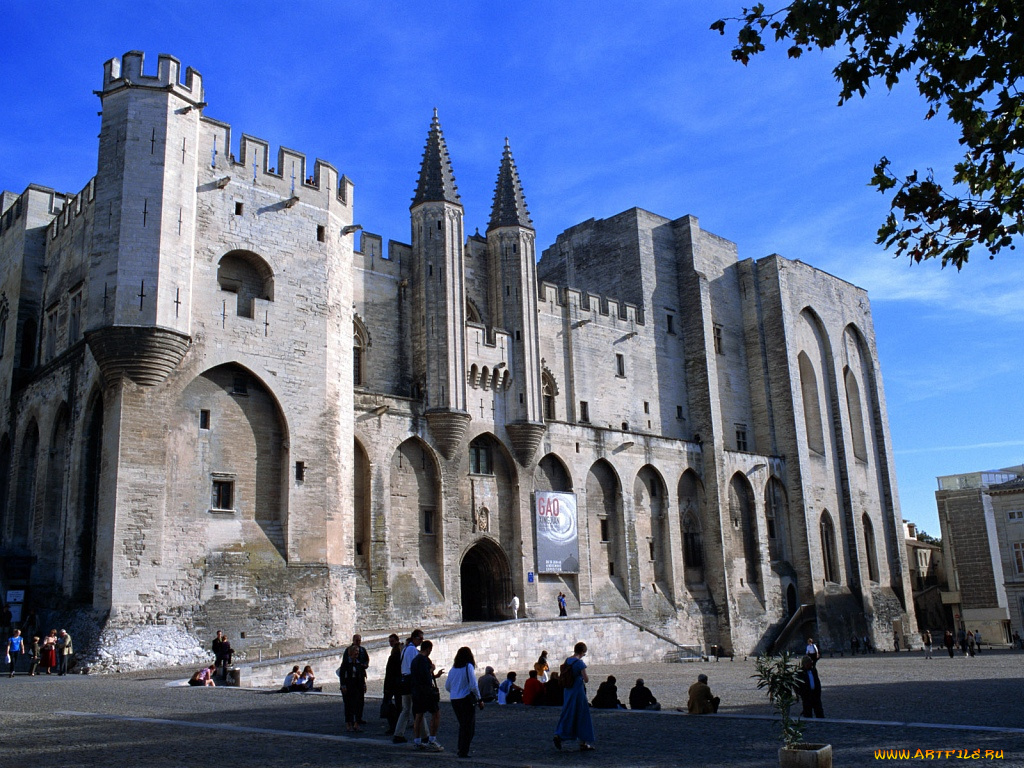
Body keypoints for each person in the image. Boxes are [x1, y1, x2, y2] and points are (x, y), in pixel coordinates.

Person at [554, 641, 595, 752]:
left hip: (568, 691)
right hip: (578, 692)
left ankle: (560, 734)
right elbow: (586, 679)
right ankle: (584, 742)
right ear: (582, 652)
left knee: (568, 713)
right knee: (582, 715)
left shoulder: (568, 660)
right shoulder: (579, 663)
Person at [445, 646, 484, 758]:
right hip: (466, 699)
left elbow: (447, 686)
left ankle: (461, 748)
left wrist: (455, 691)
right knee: (469, 726)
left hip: (454, 700)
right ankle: (463, 750)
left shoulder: (453, 670)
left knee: (463, 725)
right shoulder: (469, 667)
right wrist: (479, 699)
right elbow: (473, 685)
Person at [410, 639, 444, 752]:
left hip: (416, 691)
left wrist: (435, 675)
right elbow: (425, 676)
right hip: (426, 692)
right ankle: (432, 740)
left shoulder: (414, 660)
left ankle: (417, 741)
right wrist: (432, 669)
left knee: (418, 716)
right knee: (436, 714)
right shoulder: (424, 660)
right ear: (429, 649)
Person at [393, 629, 424, 743]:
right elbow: (414, 667)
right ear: (414, 638)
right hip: (410, 681)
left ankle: (398, 733)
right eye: (420, 638)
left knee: (406, 709)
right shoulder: (411, 650)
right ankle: (425, 735)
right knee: (418, 709)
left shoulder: (405, 649)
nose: (421, 641)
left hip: (405, 680)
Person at [340, 646, 367, 731]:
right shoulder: (346, 663)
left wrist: (364, 684)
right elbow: (342, 675)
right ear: (351, 652)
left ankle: (356, 723)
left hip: (357, 686)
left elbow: (361, 675)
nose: (357, 653)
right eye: (355, 651)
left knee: (358, 705)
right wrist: (343, 685)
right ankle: (349, 723)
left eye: (357, 651)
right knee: (349, 705)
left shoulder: (358, 663)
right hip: (348, 686)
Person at [381, 633, 403, 735]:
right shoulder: (401, 656)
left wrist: (386, 687)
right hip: (398, 684)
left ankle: (394, 726)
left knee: (390, 704)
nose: (391, 643)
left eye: (392, 641)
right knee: (399, 705)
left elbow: (389, 673)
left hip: (393, 684)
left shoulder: (395, 656)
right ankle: (398, 724)